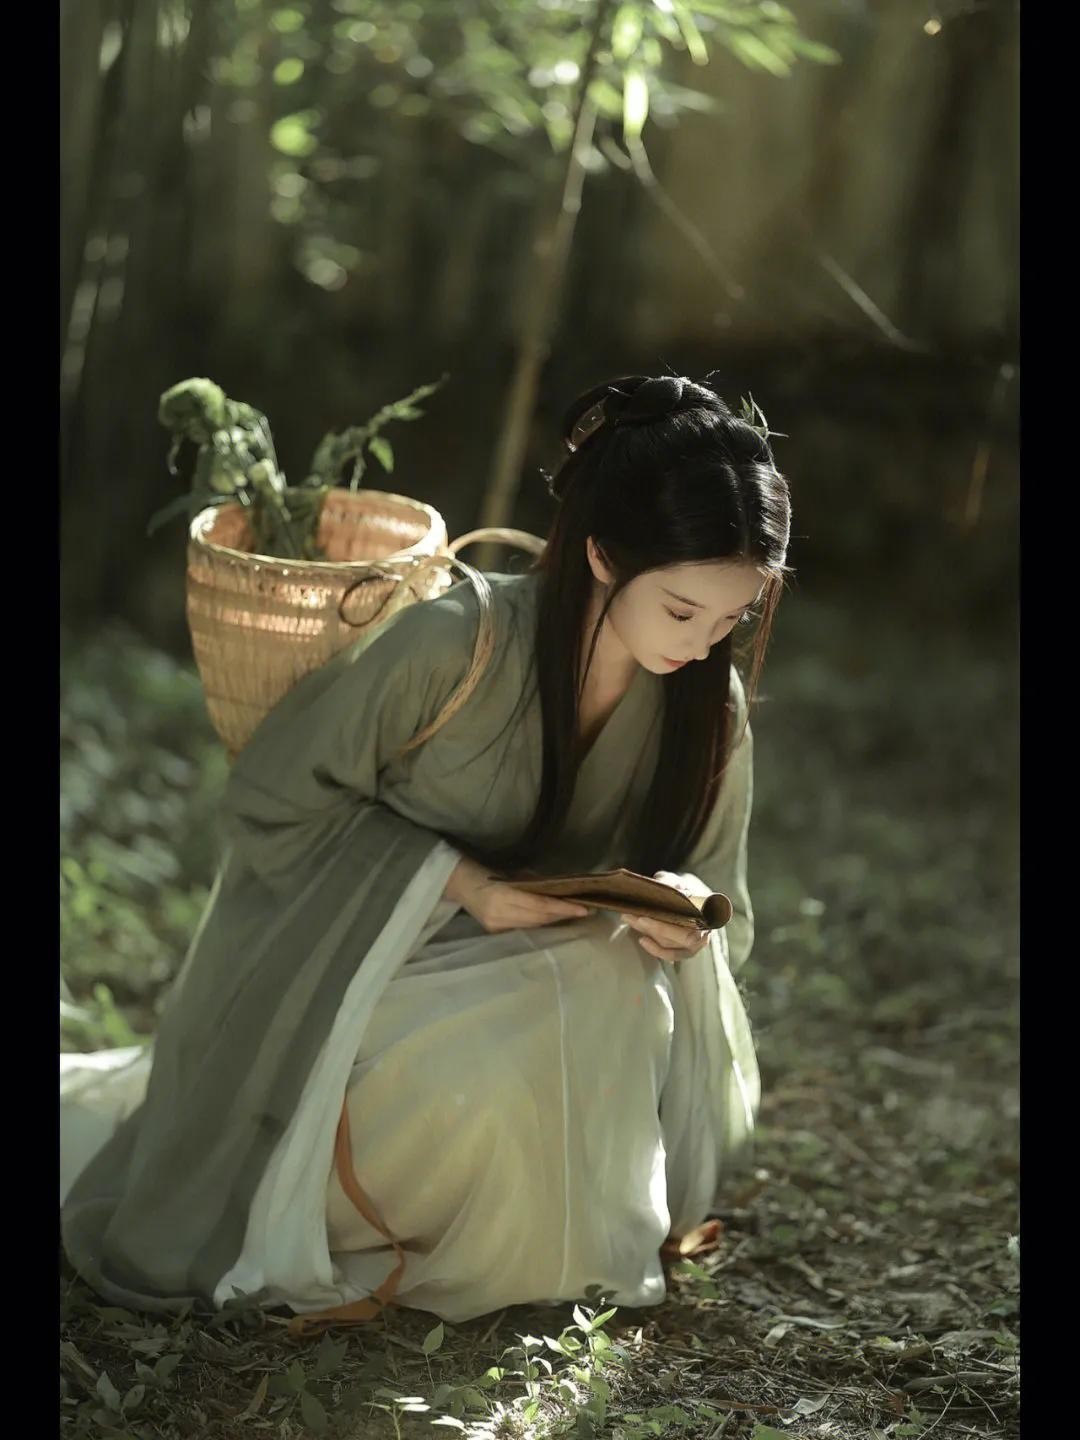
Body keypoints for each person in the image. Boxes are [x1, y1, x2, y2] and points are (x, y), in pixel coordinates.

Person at [61, 372, 792, 1333]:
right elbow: (272, 800)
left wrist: (680, 916)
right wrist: (461, 882)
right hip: (367, 976)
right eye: (684, 611)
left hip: (554, 995)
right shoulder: (454, 644)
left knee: (614, 977)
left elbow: (722, 891)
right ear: (604, 554)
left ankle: (531, 1243)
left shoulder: (708, 711)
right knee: (534, 1025)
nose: (703, 647)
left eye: (733, 619)